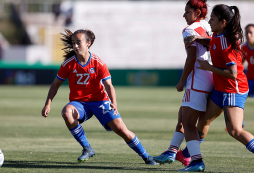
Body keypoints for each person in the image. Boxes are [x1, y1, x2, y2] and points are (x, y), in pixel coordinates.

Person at [41, 29, 158, 165]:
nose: (75, 46)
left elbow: (109, 85)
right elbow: (55, 84)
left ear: (88, 43)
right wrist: (48, 103)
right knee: (66, 112)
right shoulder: (68, 64)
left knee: (122, 130)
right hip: (79, 103)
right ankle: (87, 148)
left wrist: (114, 103)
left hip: (100, 101)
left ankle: (146, 157)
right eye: (73, 43)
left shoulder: (98, 63)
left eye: (79, 42)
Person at [192, 4, 254, 171]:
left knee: (235, 131)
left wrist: (209, 67)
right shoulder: (217, 35)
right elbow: (213, 42)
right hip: (221, 89)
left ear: (223, 22)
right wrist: (199, 39)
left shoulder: (226, 41)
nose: (209, 21)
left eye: (212, 19)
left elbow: (233, 73)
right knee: (203, 121)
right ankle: (192, 158)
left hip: (233, 89)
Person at [153, 0, 213, 171]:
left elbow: (192, 57)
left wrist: (182, 80)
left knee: (188, 123)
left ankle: (196, 160)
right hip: (211, 77)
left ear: (197, 13)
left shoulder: (189, 30)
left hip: (197, 80)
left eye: (187, 11)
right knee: (183, 115)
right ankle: (172, 151)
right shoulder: (206, 26)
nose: (184, 15)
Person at [242, 24, 254, 97]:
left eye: (251, 32)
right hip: (250, 80)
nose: (248, 35)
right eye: (247, 33)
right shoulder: (244, 48)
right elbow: (240, 64)